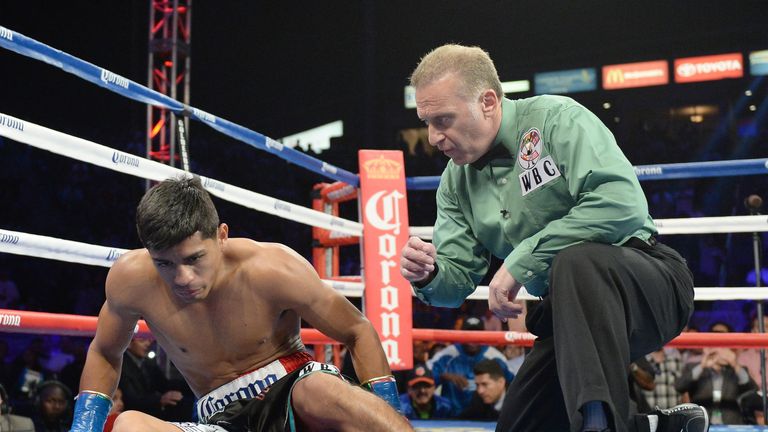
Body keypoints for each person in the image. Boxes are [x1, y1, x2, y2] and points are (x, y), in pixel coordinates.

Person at [399, 43, 706, 432]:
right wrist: (428, 274)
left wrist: (522, 260)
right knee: (519, 426)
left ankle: (600, 426)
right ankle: (649, 427)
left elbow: (620, 203)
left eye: (443, 120)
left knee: (576, 261)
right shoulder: (455, 183)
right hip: (571, 320)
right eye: (427, 121)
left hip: (646, 287)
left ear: (488, 101)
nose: (432, 137)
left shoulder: (556, 120)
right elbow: (454, 283)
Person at [72, 176, 411, 432]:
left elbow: (357, 329)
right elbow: (105, 351)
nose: (182, 278)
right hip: (221, 419)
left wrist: (385, 414)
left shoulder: (271, 268)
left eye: (194, 259)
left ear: (221, 235)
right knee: (129, 426)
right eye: (165, 264)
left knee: (321, 388)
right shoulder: (131, 281)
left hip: (292, 392)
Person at [675, 322, 757, 425]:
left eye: (722, 346)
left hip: (731, 425)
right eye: (716, 346)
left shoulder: (736, 370)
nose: (719, 351)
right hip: (703, 424)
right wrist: (702, 365)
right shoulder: (694, 367)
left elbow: (752, 389)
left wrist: (734, 364)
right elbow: (679, 386)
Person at [427, 316, 513, 414]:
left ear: (483, 335)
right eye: (469, 334)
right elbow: (423, 376)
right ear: (461, 335)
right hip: (451, 418)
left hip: (486, 417)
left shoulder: (495, 357)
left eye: (477, 334)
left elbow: (513, 384)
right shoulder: (447, 355)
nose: (473, 339)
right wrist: (444, 376)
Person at [118, 335, 192, 421]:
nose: (147, 344)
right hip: (133, 414)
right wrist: (160, 399)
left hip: (149, 409)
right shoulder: (122, 364)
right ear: (129, 343)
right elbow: (130, 399)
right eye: (142, 341)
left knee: (184, 402)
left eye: (149, 340)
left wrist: (191, 382)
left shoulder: (147, 363)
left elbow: (164, 384)